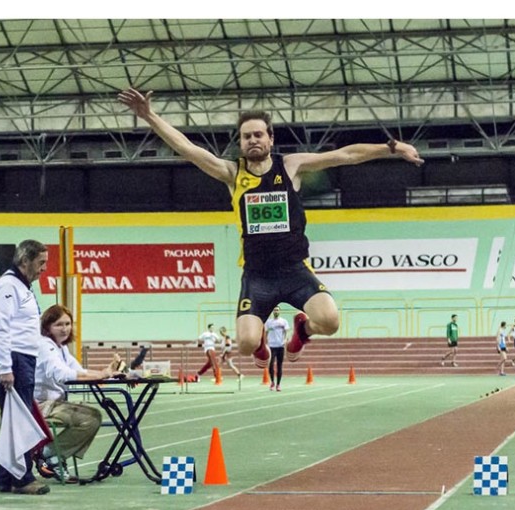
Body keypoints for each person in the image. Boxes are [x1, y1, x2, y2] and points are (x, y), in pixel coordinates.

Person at [118, 88, 423, 365]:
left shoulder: (291, 166)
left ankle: (302, 330)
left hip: (294, 270)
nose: (253, 140)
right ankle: (262, 343)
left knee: (330, 322)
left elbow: (346, 155)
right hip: (258, 276)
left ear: (270, 139)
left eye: (258, 135)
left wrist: (392, 147)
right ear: (240, 142)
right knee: (246, 345)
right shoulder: (231, 173)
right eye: (246, 136)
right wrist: (149, 116)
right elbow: (186, 148)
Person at [0, 239, 50, 495]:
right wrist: (5, 368)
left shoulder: (23, 287)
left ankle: (8, 478)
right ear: (25, 261)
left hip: (23, 358)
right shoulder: (7, 286)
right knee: (19, 420)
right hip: (13, 359)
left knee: (16, 419)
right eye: (41, 262)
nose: (44, 268)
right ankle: (21, 477)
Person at [34, 304, 120, 482]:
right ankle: (49, 453)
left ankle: (53, 455)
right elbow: (62, 374)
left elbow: (79, 371)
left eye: (67, 324)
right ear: (48, 327)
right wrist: (102, 374)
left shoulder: (61, 348)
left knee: (94, 416)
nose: (65, 329)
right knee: (91, 418)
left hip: (55, 403)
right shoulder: (45, 346)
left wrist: (109, 373)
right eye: (59, 325)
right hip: (39, 405)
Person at [264, 306, 289, 391]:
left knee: (279, 365)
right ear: (272, 311)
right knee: (270, 365)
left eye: (277, 310)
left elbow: (286, 332)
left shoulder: (283, 321)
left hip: (280, 346)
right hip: (271, 346)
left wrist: (285, 340)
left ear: (279, 311)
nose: (276, 311)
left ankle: (278, 384)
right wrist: (265, 343)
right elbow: (266, 333)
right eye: (274, 310)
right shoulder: (268, 322)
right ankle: (272, 382)